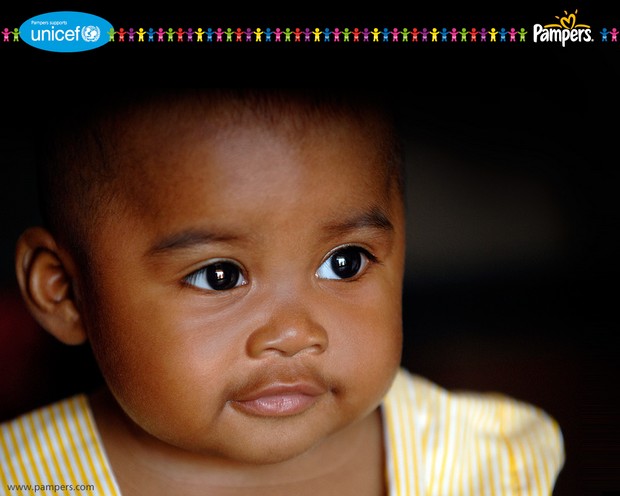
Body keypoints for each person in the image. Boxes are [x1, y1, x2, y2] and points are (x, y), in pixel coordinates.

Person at [0, 89, 564, 495]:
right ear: (65, 291)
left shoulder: (483, 460)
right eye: (219, 276)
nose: (295, 333)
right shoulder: (24, 478)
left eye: (345, 263)